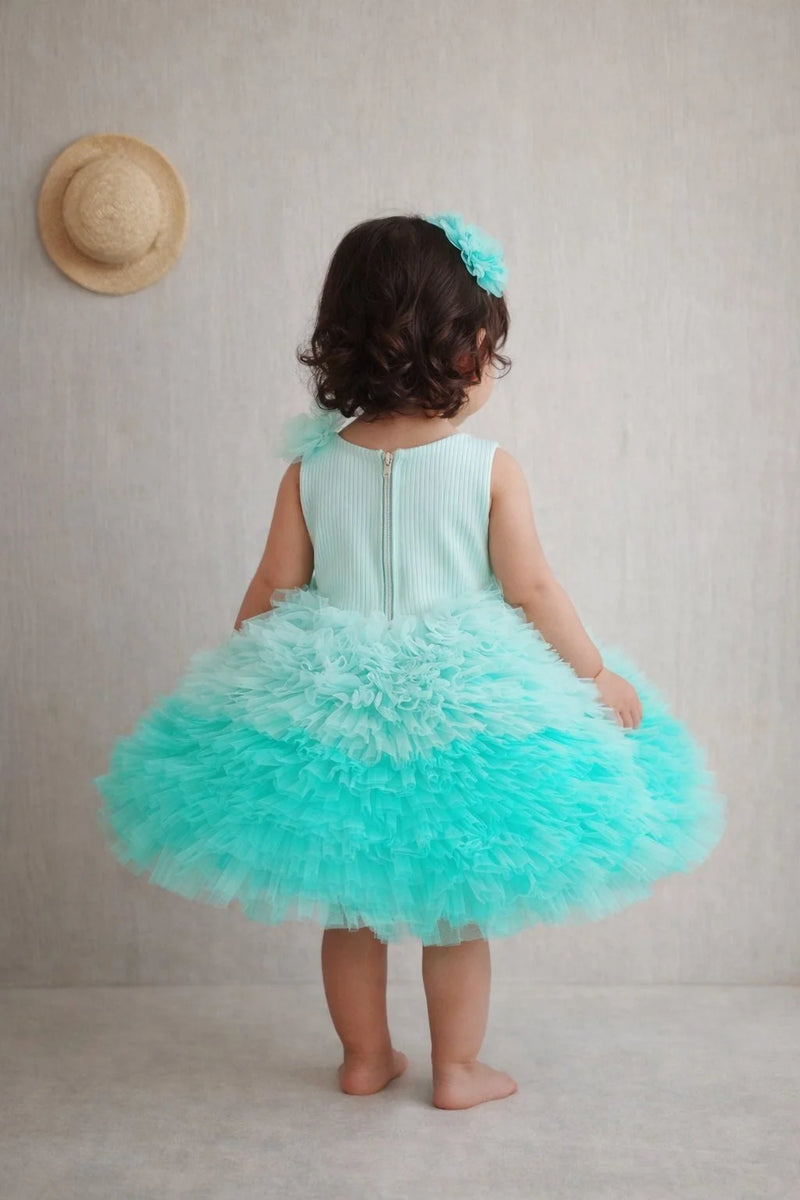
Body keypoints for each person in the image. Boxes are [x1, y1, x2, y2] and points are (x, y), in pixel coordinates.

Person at [93, 211, 726, 1111]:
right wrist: (593, 674)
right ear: (460, 351)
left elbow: (273, 589)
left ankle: (364, 1058)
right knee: (455, 905)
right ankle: (457, 1072)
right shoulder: (486, 468)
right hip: (462, 703)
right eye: (486, 347)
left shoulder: (311, 471)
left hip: (333, 694)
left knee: (351, 903)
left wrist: (243, 681)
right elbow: (532, 590)